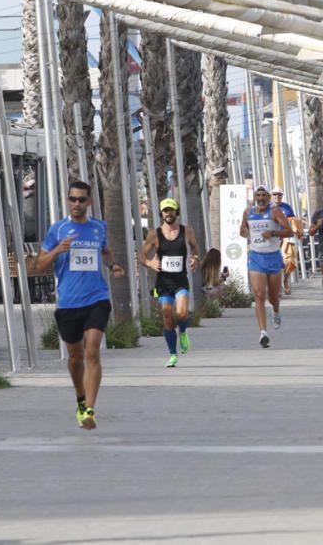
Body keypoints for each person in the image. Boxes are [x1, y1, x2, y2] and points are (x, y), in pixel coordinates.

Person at [36, 181, 125, 430]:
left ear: (89, 202)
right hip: (68, 303)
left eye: (81, 200)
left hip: (96, 298)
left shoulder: (99, 228)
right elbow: (39, 265)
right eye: (73, 199)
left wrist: (112, 265)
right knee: (75, 358)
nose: (77, 204)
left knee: (92, 351)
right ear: (67, 200)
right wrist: (57, 251)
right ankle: (80, 398)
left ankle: (89, 410)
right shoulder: (58, 229)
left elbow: (105, 251)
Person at [138, 198, 201, 368]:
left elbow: (195, 247)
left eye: (171, 210)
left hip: (180, 281)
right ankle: (173, 354)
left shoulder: (186, 231)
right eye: (165, 211)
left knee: (181, 313)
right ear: (161, 213)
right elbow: (142, 255)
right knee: (167, 316)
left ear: (176, 212)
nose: (168, 213)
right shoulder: (154, 234)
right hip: (163, 283)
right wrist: (150, 263)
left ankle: (183, 332)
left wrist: (195, 258)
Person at [240, 185, 293, 348]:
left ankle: (276, 310)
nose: (261, 198)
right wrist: (243, 230)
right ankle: (263, 332)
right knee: (259, 295)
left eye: (264, 195)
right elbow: (243, 229)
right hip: (256, 258)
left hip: (273, 258)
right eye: (259, 195)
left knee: (273, 297)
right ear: (255, 197)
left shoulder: (275, 212)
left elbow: (289, 231)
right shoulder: (248, 212)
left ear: (268, 198)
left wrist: (273, 233)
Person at [271, 186, 298, 295]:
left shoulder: (287, 207)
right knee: (275, 262)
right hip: (273, 237)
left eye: (279, 194)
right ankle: (277, 287)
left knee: (289, 260)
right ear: (271, 196)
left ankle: (285, 280)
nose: (277, 196)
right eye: (275, 194)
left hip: (286, 236)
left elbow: (293, 220)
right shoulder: (267, 207)